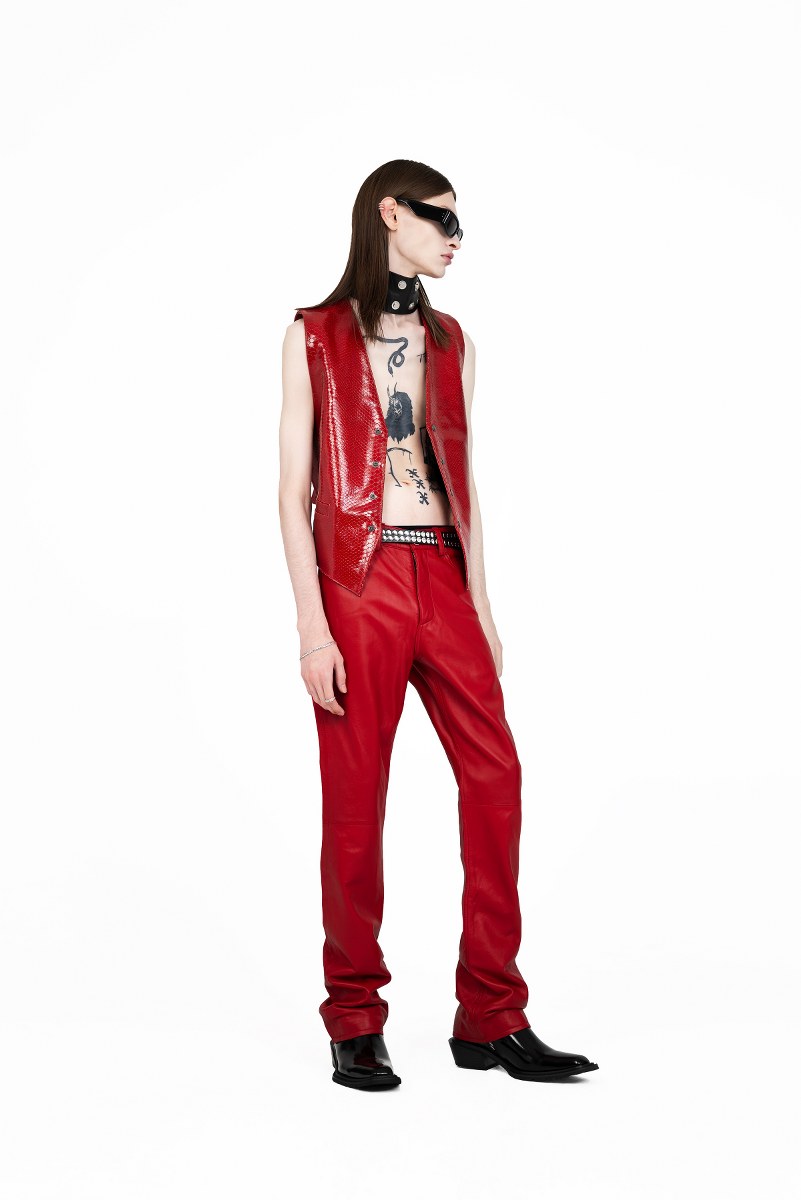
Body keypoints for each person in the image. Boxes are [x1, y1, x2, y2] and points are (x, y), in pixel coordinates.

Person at [278, 159, 598, 1090]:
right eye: (442, 220)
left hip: (444, 575)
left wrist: (482, 608)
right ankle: (353, 1018)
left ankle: (490, 1016)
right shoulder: (312, 335)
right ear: (390, 213)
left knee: (496, 777)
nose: (456, 239)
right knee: (355, 801)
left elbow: (465, 481)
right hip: (358, 580)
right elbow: (292, 492)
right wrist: (312, 628)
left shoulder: (453, 341)